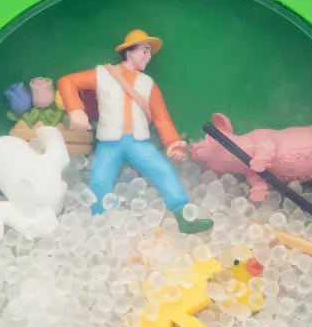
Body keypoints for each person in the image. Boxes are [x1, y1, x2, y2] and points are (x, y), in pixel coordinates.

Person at [58, 29, 213, 235]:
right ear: (130, 52)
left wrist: (173, 143)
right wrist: (76, 110)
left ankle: (184, 216)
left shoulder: (147, 84)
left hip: (138, 143)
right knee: (100, 179)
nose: (148, 57)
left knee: (163, 170)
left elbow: (161, 117)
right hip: (109, 143)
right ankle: (101, 223)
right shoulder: (103, 74)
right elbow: (67, 82)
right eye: (145, 51)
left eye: (150, 53)